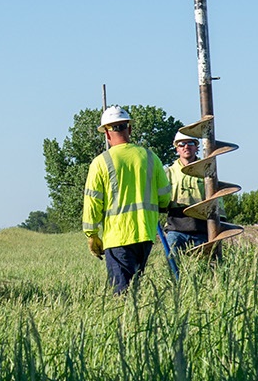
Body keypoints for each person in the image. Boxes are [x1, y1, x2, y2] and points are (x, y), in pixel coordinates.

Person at [83, 106, 171, 293]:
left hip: (117, 237)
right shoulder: (150, 157)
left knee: (121, 293)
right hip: (146, 234)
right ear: (129, 129)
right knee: (135, 290)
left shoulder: (100, 163)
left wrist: (91, 235)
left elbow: (92, 203)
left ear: (107, 133)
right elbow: (164, 197)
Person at [165, 132, 210, 252]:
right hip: (175, 229)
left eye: (190, 143)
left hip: (201, 230)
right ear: (177, 149)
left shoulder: (206, 171)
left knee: (203, 262)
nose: (186, 147)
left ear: (196, 147)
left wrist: (220, 220)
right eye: (182, 144)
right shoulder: (169, 173)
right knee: (172, 261)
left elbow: (215, 197)